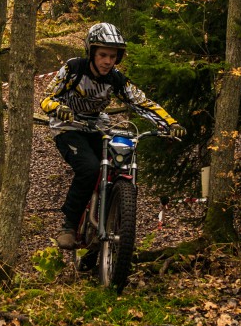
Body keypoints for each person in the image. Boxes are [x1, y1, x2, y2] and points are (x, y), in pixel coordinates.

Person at [41, 22, 186, 250]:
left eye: (113, 56)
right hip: (67, 127)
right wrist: (57, 108)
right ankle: (68, 225)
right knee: (89, 168)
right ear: (91, 52)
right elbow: (47, 97)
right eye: (102, 55)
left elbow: (141, 102)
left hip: (98, 126)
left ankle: (108, 218)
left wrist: (170, 122)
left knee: (118, 163)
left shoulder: (116, 79)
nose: (107, 61)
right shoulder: (74, 69)